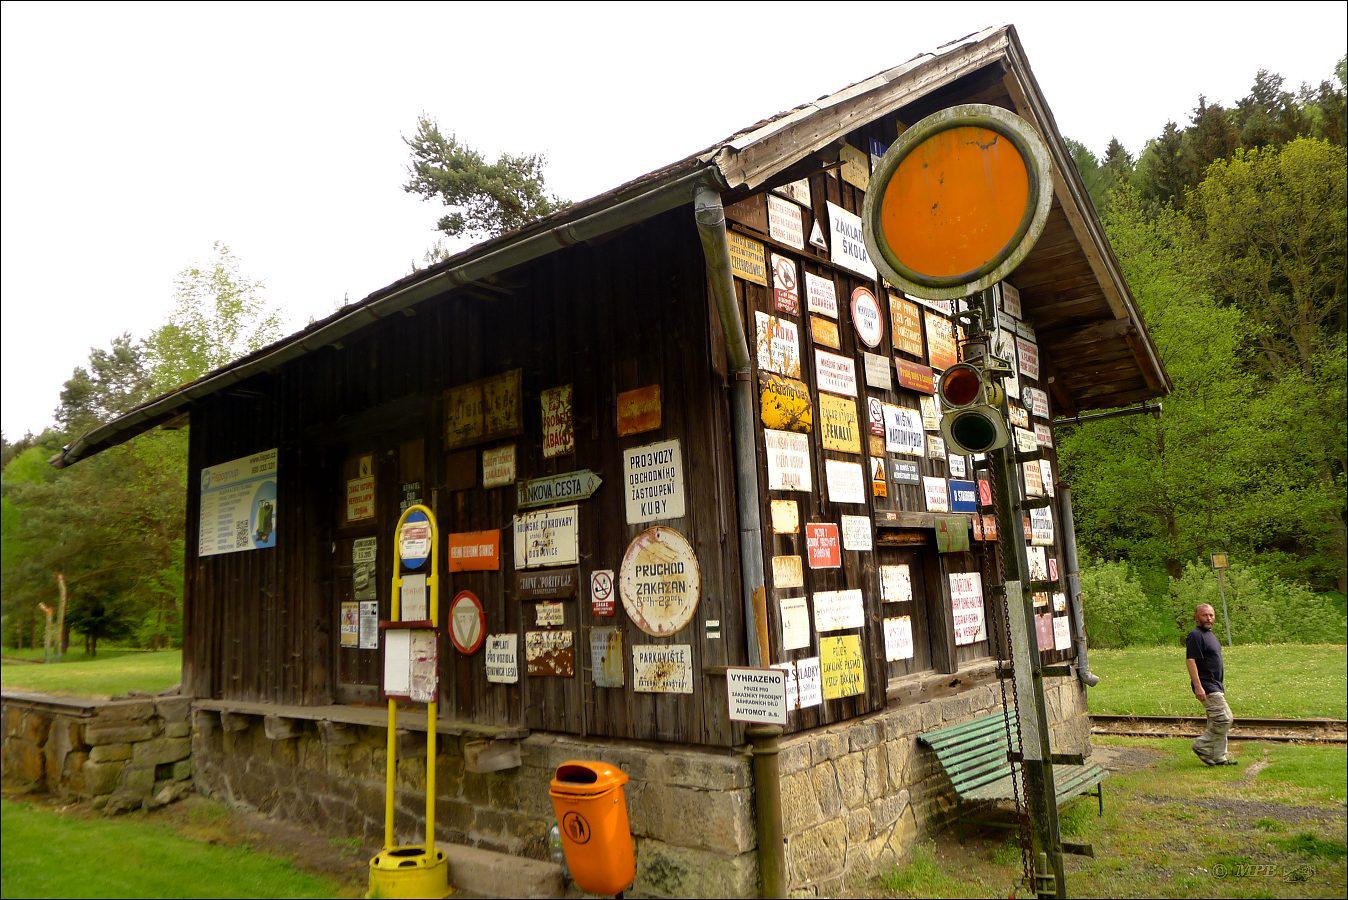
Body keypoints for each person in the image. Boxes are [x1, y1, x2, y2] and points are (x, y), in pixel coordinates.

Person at [1186, 604, 1236, 765]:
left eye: (1211, 615)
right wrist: (1198, 686)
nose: (1208, 618)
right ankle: (1201, 745)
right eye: (1204, 615)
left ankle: (1218, 757)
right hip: (1206, 686)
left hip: (1216, 685)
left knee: (1215, 721)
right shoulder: (1195, 635)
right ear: (1196, 617)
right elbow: (1191, 661)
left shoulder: (1210, 635)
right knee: (1224, 719)